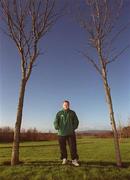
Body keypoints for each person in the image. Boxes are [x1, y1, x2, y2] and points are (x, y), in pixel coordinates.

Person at [54, 100, 79, 166]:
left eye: (67, 104)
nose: (66, 105)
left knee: (73, 147)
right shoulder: (59, 113)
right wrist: (57, 127)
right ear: (62, 105)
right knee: (62, 147)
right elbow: (56, 121)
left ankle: (74, 160)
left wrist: (72, 128)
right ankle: (64, 159)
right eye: (65, 104)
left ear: (69, 105)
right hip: (61, 133)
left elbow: (76, 122)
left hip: (71, 133)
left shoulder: (72, 113)